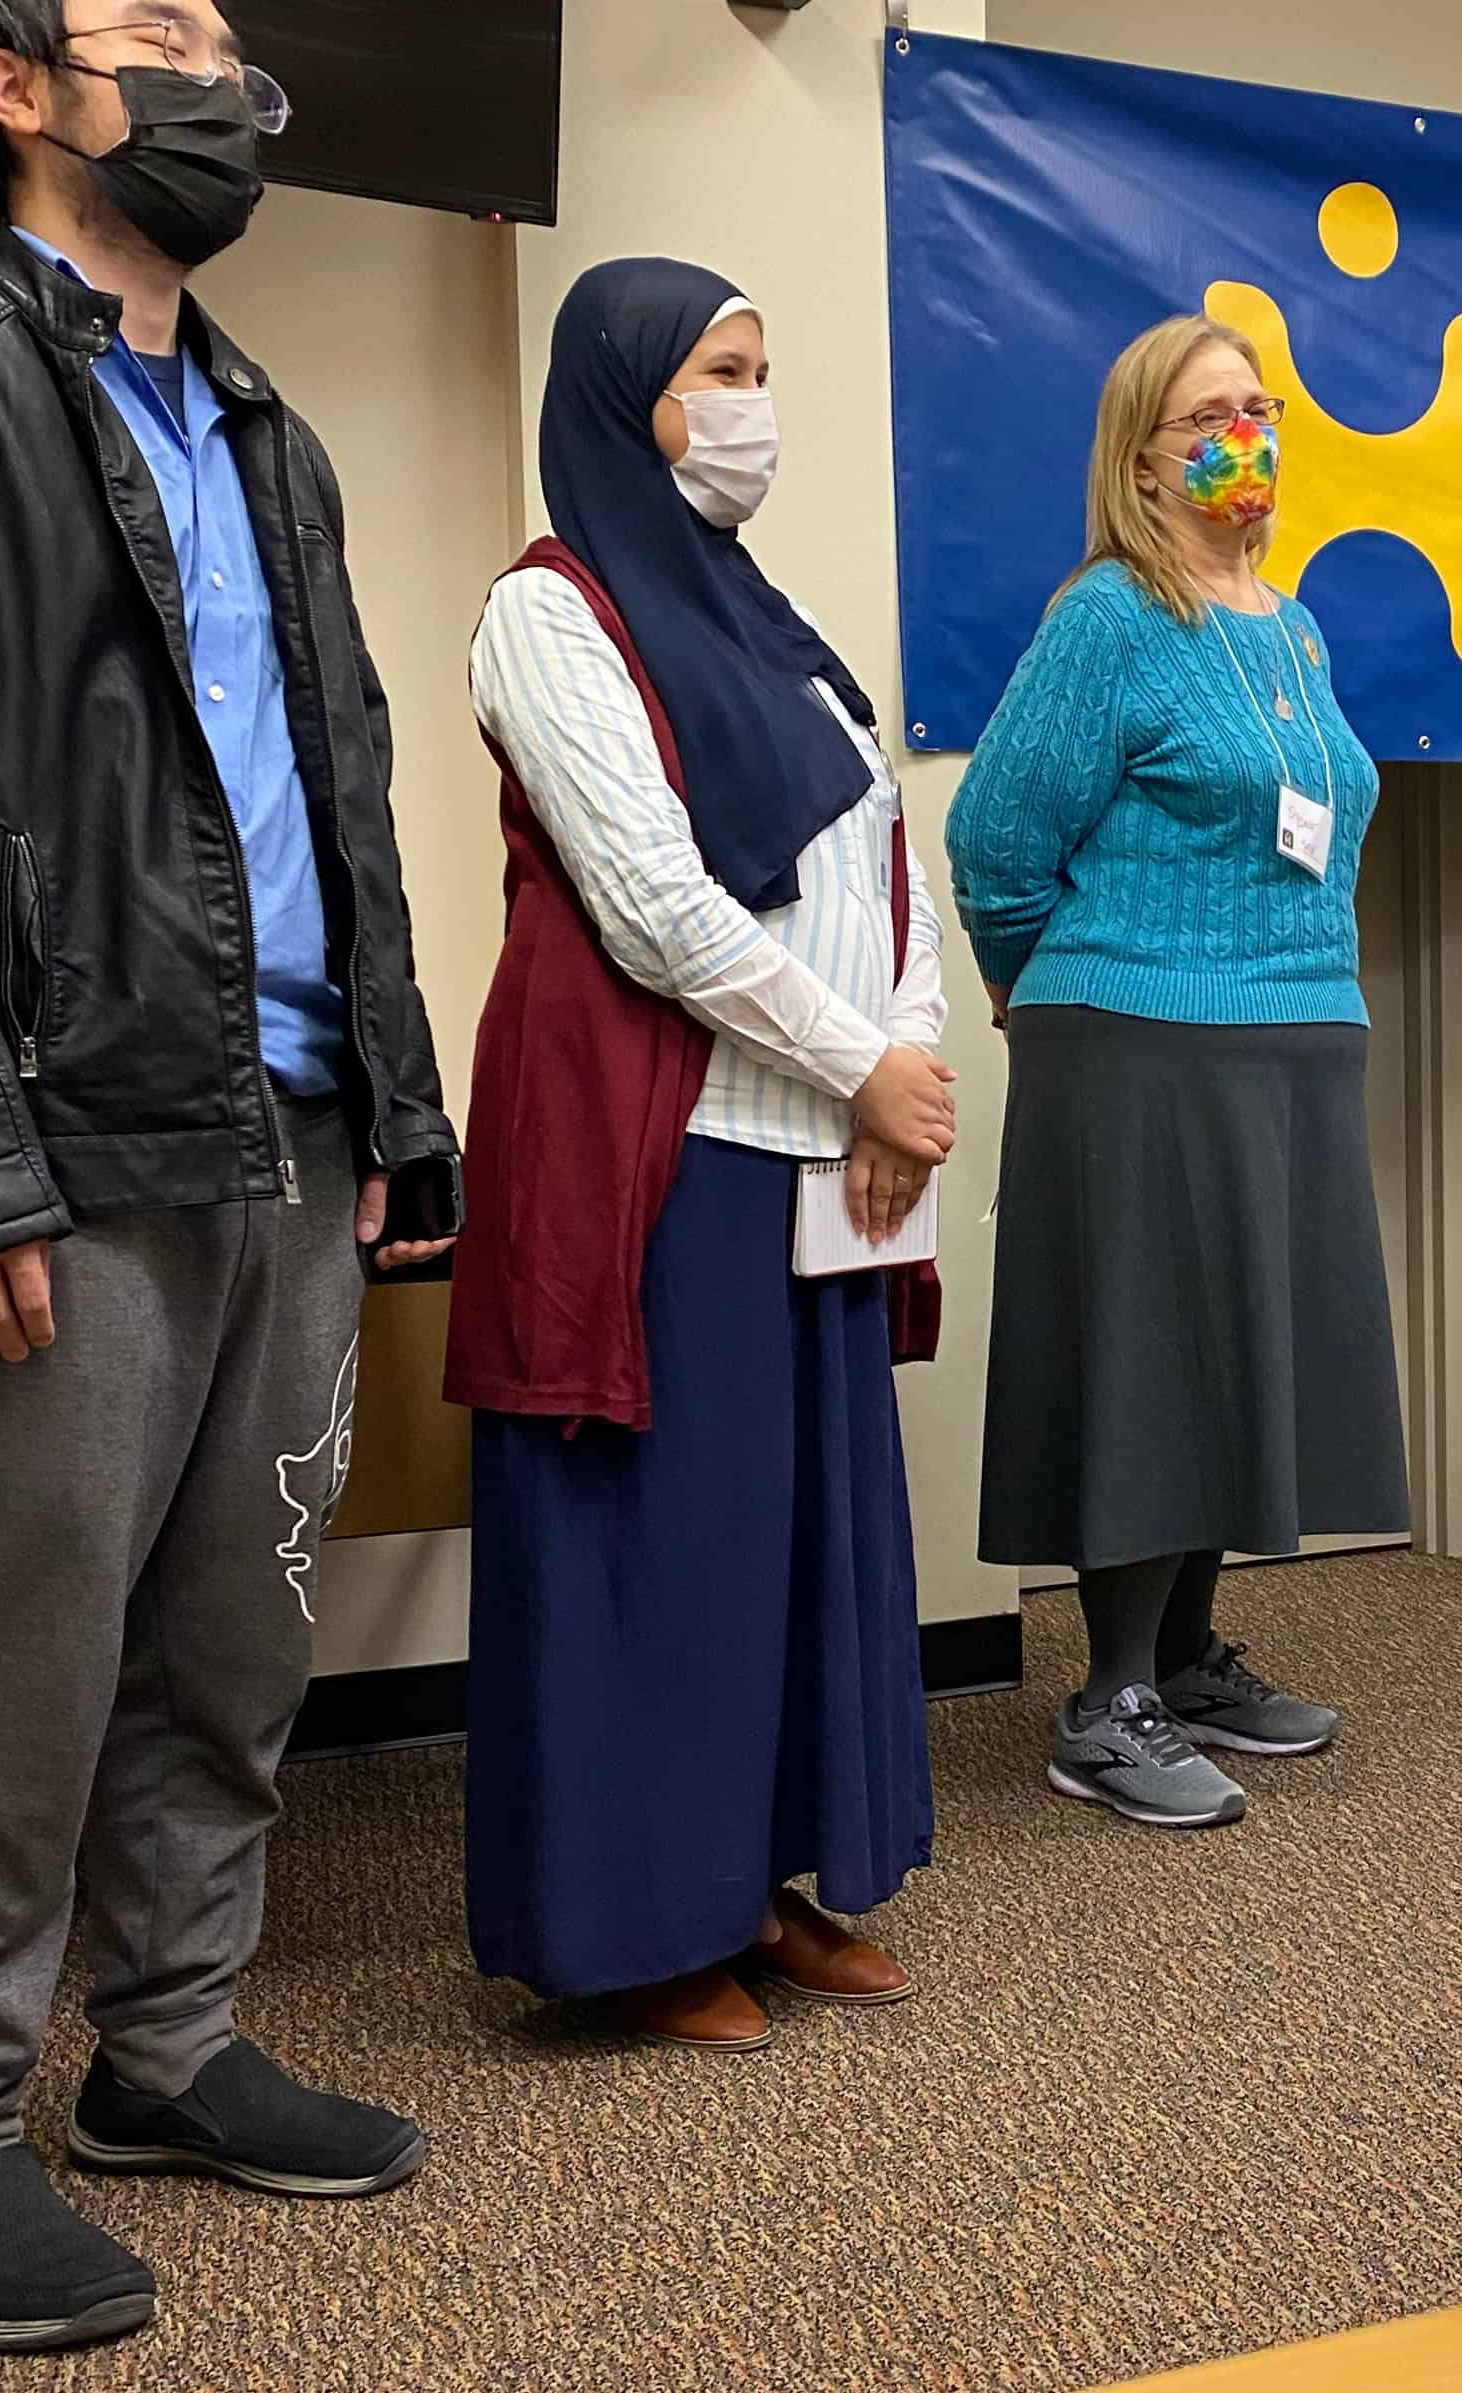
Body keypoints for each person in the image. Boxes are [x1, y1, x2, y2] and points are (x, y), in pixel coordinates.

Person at [0, 0, 462, 2356]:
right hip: (48, 1148)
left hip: (281, 1129)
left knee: (232, 1637)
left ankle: (166, 2054)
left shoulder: (273, 428)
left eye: (239, 55)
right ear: (21, 94)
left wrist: (396, 1104)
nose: (235, 90)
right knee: (10, 1666)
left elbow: (342, 792)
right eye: (172, 48)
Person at [448, 259, 947, 2046]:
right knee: (662, 1544)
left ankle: (755, 1883)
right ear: (621, 391)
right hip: (657, 1150)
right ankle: (644, 1928)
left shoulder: (768, 620)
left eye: (761, 366)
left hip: (814, 1143)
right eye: (718, 371)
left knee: (796, 1539)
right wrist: (859, 1070)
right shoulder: (552, 614)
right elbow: (653, 908)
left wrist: (914, 1062)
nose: (752, 405)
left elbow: (890, 853)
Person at [946, 314, 1409, 1831]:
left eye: (1261, 407)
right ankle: (1110, 1698)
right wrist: (1048, 996)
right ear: (1143, 452)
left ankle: (1193, 1656)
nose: (1248, 436)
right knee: (1148, 1359)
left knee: (1237, 1348)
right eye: (1212, 413)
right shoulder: (1108, 618)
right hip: (1137, 1042)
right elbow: (998, 843)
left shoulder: (1290, 626)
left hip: (1293, 1035)